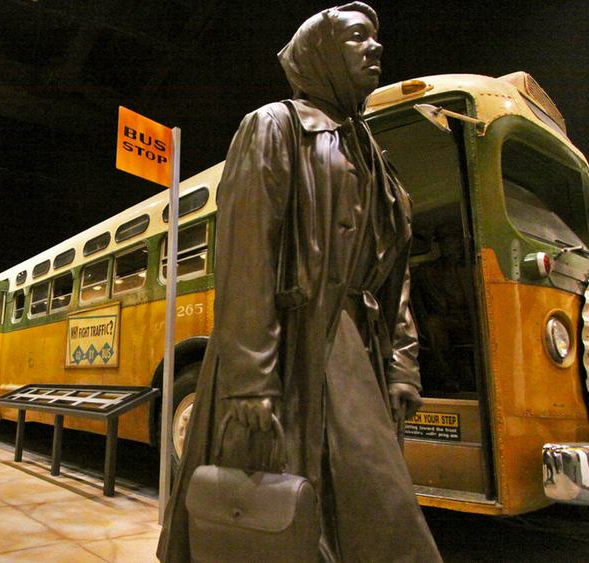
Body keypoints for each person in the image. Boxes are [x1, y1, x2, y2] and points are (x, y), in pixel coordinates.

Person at [157, 4, 441, 561]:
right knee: (319, 519)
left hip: (355, 352)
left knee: (352, 519)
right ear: (322, 52)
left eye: (374, 37)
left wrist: (402, 365)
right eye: (357, 37)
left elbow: (395, 274)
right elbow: (247, 256)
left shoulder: (373, 155)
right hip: (290, 354)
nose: (375, 48)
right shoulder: (274, 126)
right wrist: (249, 381)